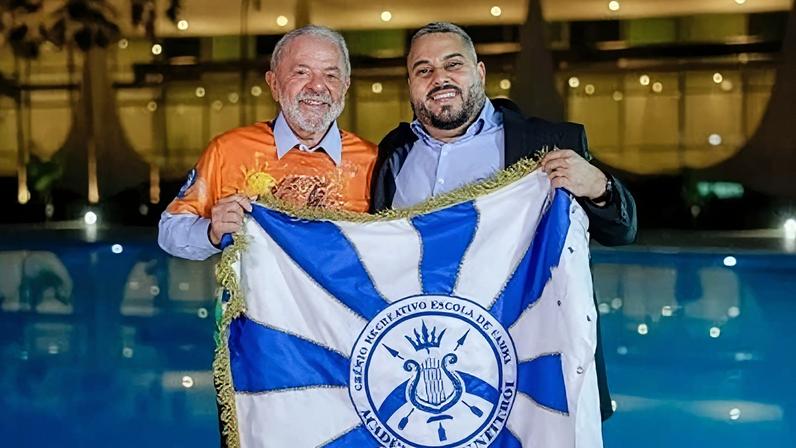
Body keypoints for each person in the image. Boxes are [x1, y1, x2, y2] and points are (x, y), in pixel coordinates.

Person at [370, 22, 637, 421]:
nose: (438, 77)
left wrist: (598, 185)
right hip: (428, 371)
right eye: (423, 70)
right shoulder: (394, 154)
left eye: (452, 64)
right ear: (410, 84)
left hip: (528, 371)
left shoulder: (548, 142)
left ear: (479, 73)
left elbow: (622, 229)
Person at [158, 25, 377, 260]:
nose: (317, 86)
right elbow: (170, 232)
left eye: (331, 75)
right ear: (273, 83)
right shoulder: (229, 152)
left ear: (345, 86)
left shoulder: (373, 161)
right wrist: (212, 231)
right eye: (301, 73)